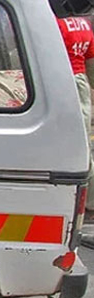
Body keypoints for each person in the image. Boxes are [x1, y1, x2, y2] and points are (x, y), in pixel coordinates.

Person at [56, 16, 94, 224]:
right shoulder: (83, 24)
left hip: (63, 81)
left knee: (72, 146)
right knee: (84, 143)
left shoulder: (57, 23)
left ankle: (83, 201)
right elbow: (91, 58)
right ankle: (89, 203)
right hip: (81, 81)